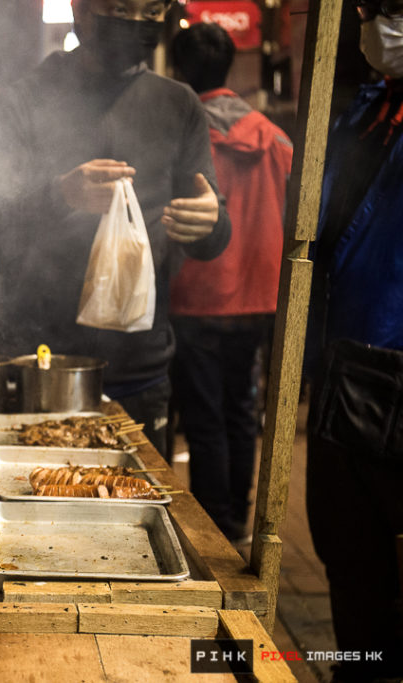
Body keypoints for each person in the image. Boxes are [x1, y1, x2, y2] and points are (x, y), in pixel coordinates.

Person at [0, 0, 231, 455]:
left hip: (137, 375)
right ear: (80, 9)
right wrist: (59, 195)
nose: (137, 24)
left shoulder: (178, 104)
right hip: (31, 367)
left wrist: (211, 222)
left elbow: (211, 234)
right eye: (122, 7)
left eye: (152, 12)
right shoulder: (23, 102)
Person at [305, 1, 403, 678]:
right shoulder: (361, 109)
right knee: (349, 554)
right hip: (345, 372)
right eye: (373, 9)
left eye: (394, 9)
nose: (380, 24)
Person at [167, 22, 294, 543]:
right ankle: (237, 520)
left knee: (203, 416)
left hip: (196, 297)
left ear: (178, 73)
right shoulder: (275, 139)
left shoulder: (184, 138)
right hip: (257, 299)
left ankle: (213, 525)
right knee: (242, 409)